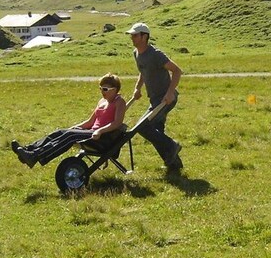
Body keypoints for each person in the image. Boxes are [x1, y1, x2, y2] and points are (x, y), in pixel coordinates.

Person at [11, 73, 127, 167]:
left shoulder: (119, 102)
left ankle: (35, 156)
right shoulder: (101, 102)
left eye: (105, 89)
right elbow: (90, 122)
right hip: (92, 133)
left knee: (71, 136)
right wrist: (74, 127)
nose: (102, 91)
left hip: (102, 137)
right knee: (60, 132)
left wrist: (100, 131)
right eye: (100, 88)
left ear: (114, 89)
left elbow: (117, 123)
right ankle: (28, 150)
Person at [127, 22, 184, 170]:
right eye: (131, 35)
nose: (132, 37)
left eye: (135, 35)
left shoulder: (156, 54)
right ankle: (174, 165)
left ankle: (173, 146)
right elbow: (143, 71)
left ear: (144, 36)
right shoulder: (137, 53)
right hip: (154, 100)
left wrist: (170, 92)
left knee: (143, 127)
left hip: (166, 99)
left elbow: (177, 71)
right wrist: (137, 88)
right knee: (157, 132)